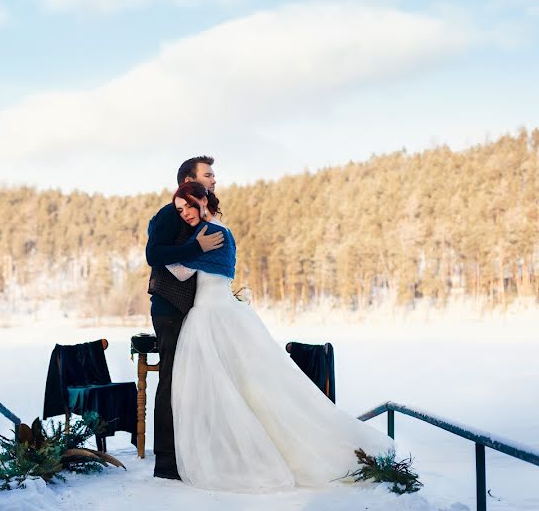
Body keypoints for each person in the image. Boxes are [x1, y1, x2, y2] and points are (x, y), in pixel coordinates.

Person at [167, 181, 395, 493]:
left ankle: (249, 455)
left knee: (236, 389)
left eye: (189, 206)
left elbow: (180, 270)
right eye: (179, 211)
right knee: (234, 390)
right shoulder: (206, 232)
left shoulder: (213, 232)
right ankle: (239, 450)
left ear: (202, 200)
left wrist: (167, 246)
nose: (185, 214)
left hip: (214, 315)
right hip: (215, 312)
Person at [145, 155, 223, 480]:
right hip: (168, 311)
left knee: (188, 383)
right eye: (208, 175)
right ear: (188, 180)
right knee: (170, 382)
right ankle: (166, 463)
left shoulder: (198, 214)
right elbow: (153, 254)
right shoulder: (169, 212)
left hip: (189, 312)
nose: (214, 179)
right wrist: (196, 249)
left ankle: (191, 451)